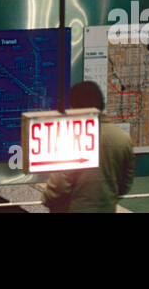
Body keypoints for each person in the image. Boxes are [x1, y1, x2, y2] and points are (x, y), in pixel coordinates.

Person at [42, 81, 135, 213]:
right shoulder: (123, 138)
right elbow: (125, 182)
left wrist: (47, 199)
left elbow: (60, 185)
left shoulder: (72, 137)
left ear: (76, 106)